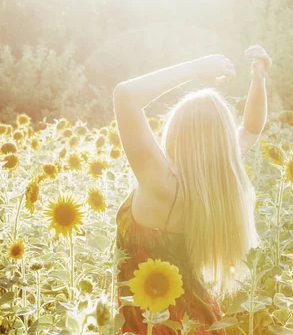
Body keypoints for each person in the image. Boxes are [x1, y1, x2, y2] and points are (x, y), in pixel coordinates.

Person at [113, 45, 272, 334]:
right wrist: (258, 80)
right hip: (196, 320)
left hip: (151, 324)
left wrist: (196, 68)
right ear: (223, 139)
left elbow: (125, 95)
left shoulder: (160, 183)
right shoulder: (215, 182)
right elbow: (251, 128)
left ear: (177, 131)